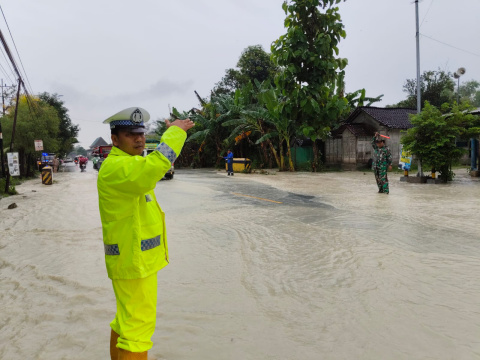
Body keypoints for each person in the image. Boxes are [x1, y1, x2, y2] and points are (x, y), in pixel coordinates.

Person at [97, 107, 194, 360]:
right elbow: (155, 168)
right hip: (134, 261)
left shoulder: (128, 164)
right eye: (131, 134)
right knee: (138, 330)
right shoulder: (117, 167)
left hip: (133, 259)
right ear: (115, 140)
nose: (139, 139)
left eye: (141, 133)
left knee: (125, 322)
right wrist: (175, 132)